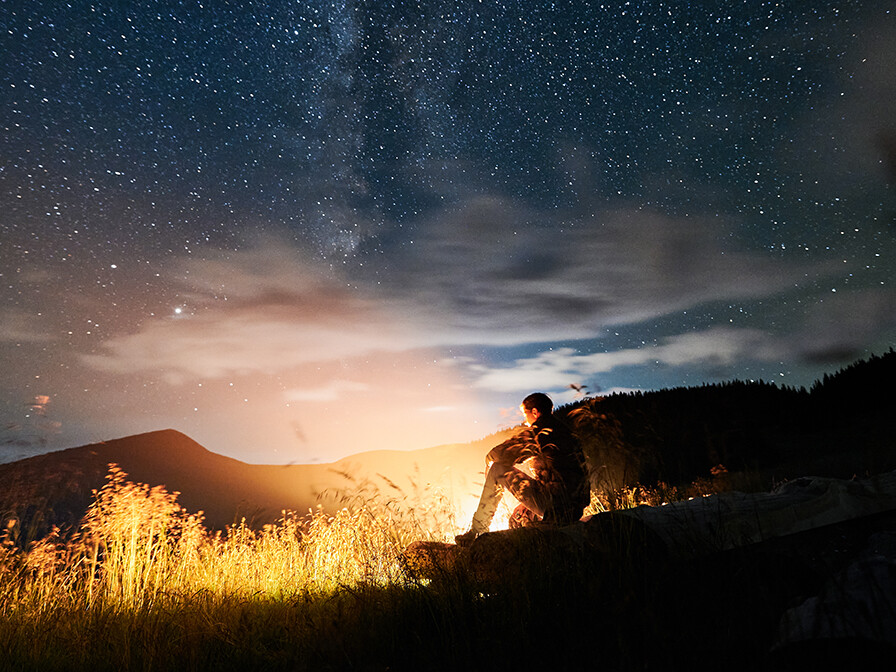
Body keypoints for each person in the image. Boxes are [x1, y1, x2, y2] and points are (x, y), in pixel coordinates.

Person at [455, 392, 589, 546]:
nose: (525, 421)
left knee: (498, 469)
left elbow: (504, 452)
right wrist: (529, 503)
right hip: (574, 508)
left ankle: (477, 531)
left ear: (534, 412)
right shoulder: (565, 432)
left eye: (525, 415)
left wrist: (488, 460)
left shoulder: (541, 431)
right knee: (518, 516)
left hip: (555, 507)